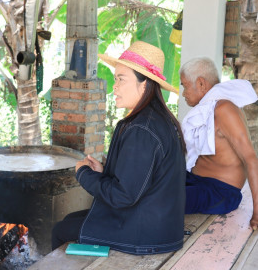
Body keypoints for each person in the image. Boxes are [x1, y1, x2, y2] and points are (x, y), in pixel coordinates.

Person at [51, 41, 187, 254]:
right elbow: (139, 180)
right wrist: (104, 174)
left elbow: (123, 197)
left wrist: (84, 173)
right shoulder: (154, 119)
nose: (114, 86)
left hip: (145, 234)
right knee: (70, 220)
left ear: (144, 84)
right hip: (158, 225)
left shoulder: (142, 129)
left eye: (121, 80)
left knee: (61, 230)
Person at [180, 57, 258, 229]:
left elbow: (251, 159)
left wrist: (257, 213)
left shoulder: (225, 110)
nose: (184, 93)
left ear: (201, 83)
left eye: (185, 86)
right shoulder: (209, 109)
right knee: (153, 185)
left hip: (220, 192)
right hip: (196, 181)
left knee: (164, 200)